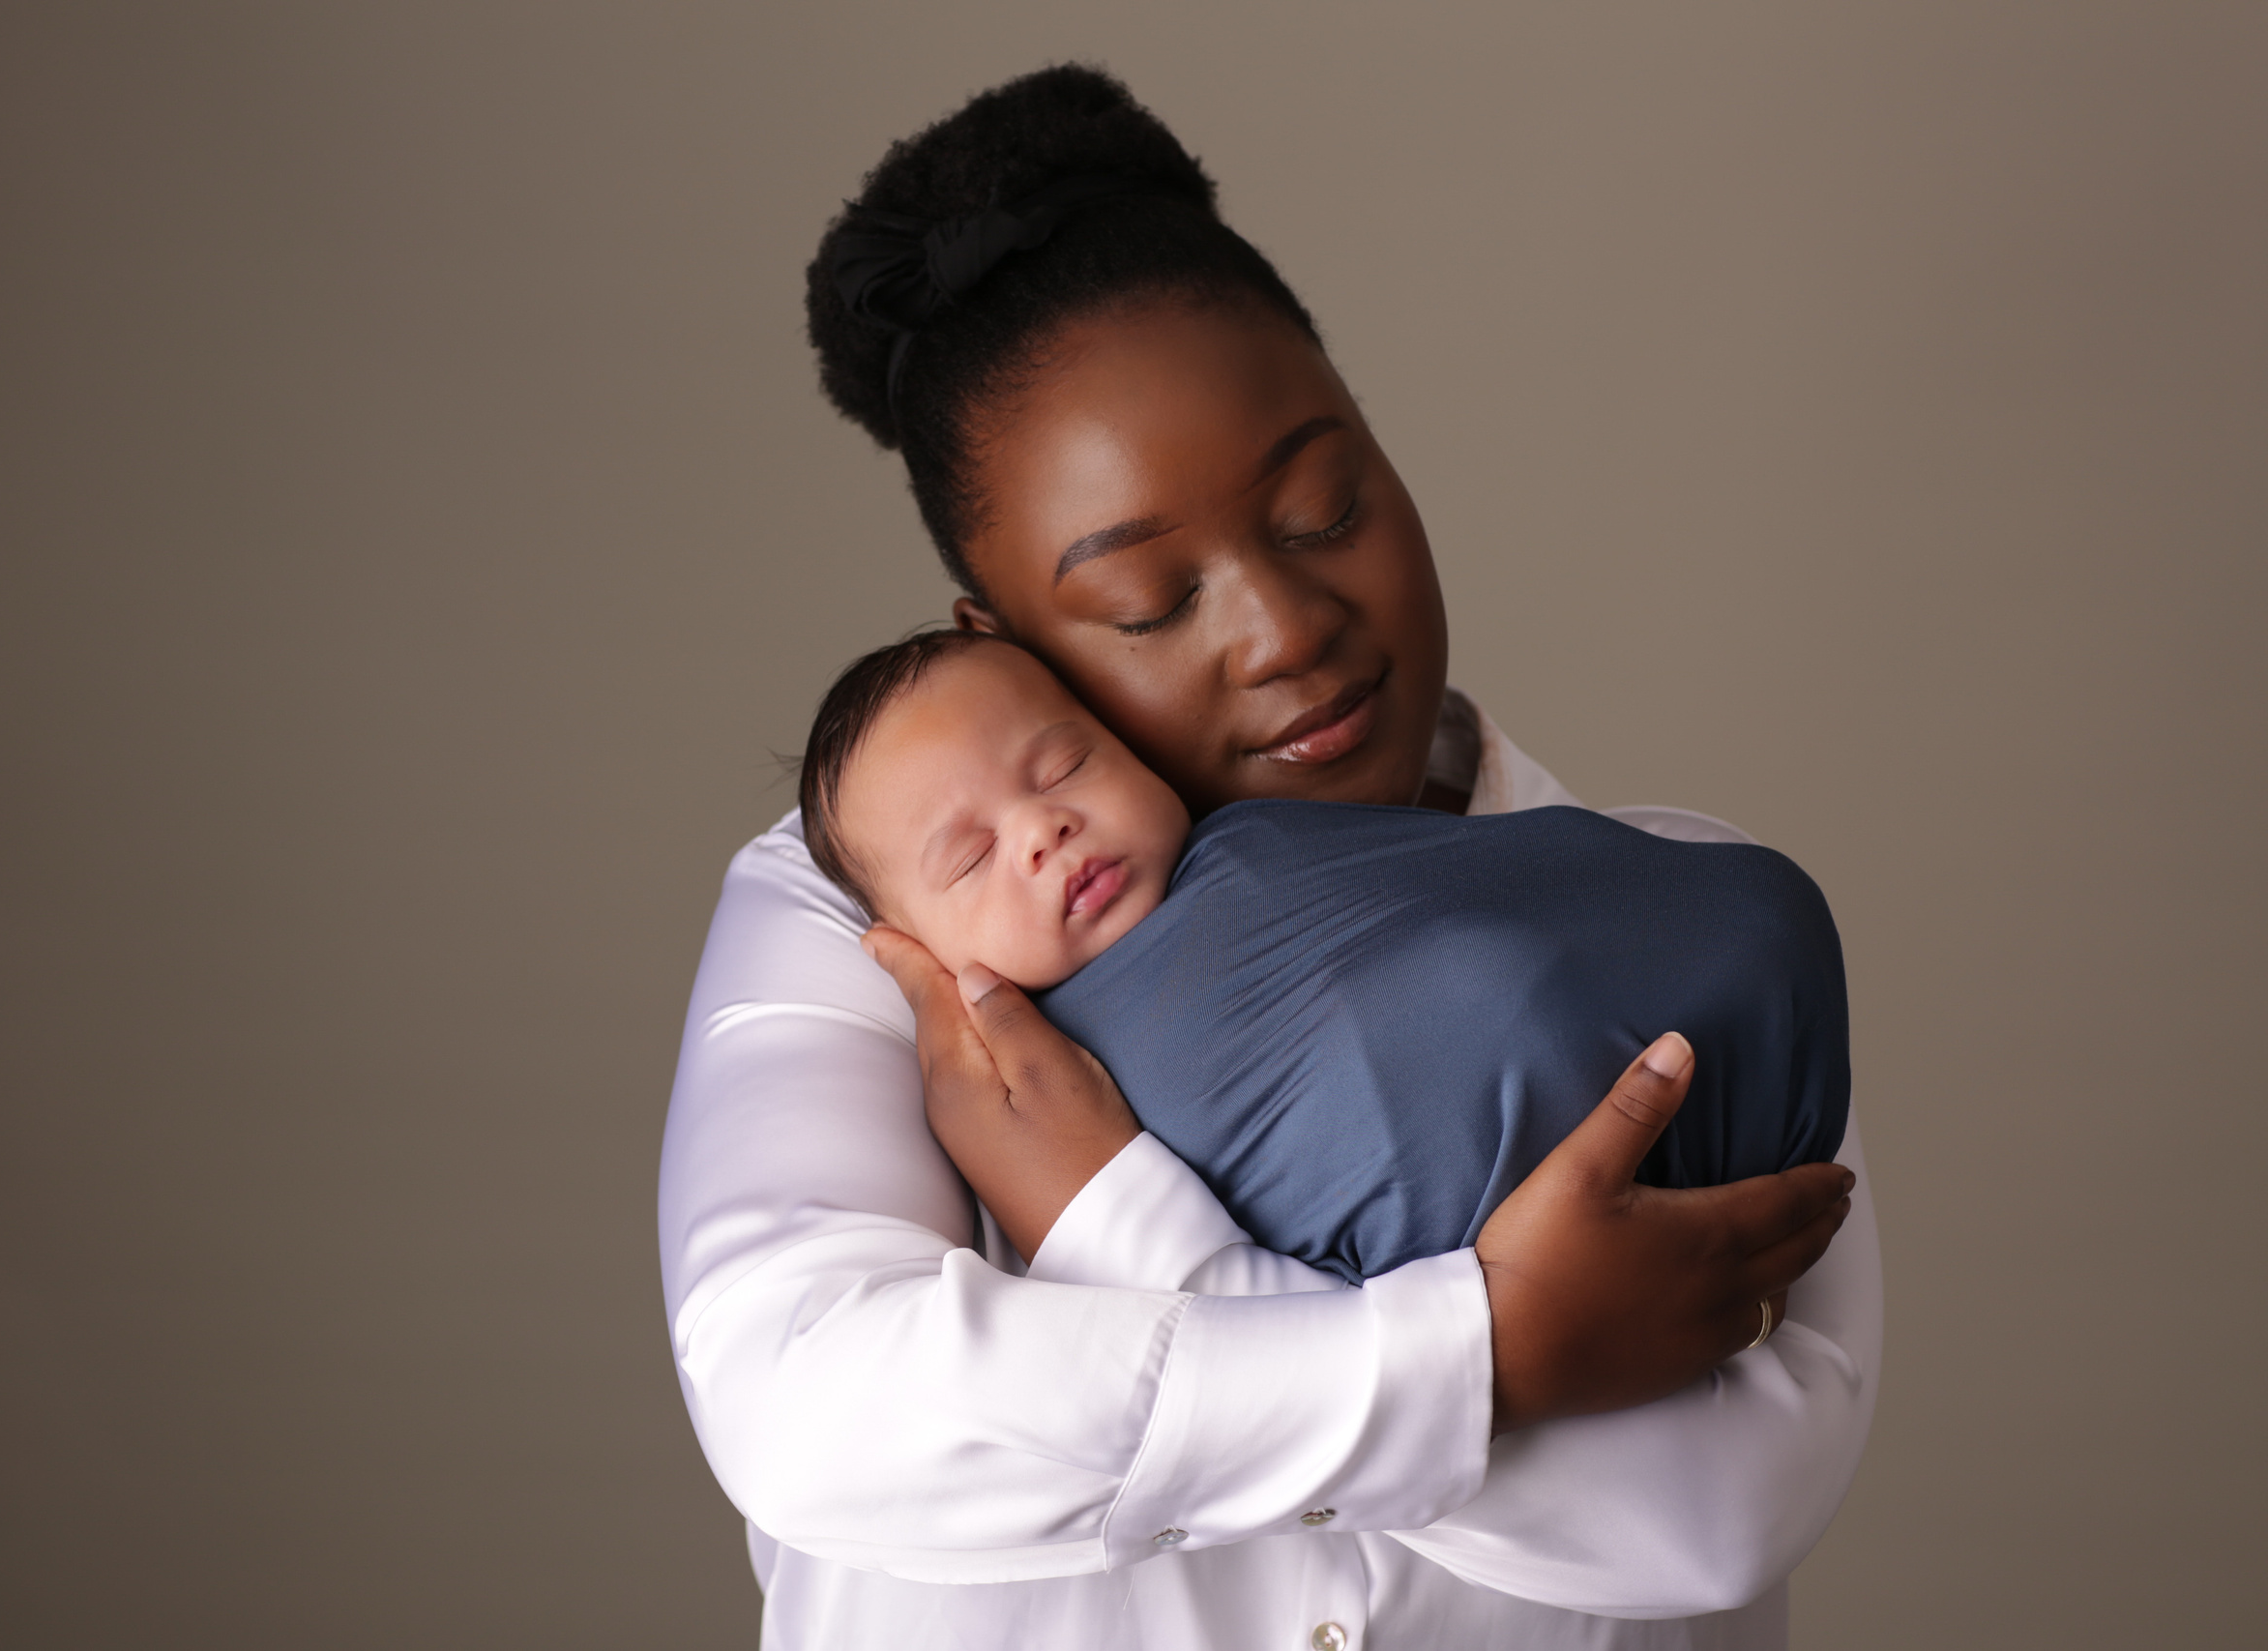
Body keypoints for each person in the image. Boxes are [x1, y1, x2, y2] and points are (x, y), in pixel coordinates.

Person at [660, 64, 1880, 1650]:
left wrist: (1113, 1224)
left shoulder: (1681, 921)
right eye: (1152, 603)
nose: (1288, 629)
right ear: (1004, 640)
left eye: (1324, 507)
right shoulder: (879, 912)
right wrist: (1494, 1355)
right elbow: (810, 1400)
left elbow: (1720, 1510)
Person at [792, 627, 1851, 1288]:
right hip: (1467, 1268)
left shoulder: (1256, 837)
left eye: (1066, 764)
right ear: (911, 954)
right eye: (973, 857)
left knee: (1752, 910)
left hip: (1679, 1065)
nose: (1041, 830)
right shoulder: (1028, 1095)